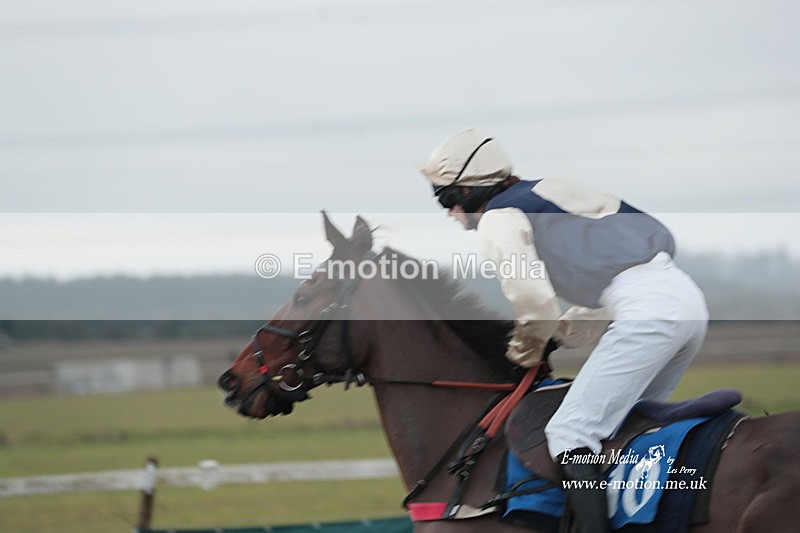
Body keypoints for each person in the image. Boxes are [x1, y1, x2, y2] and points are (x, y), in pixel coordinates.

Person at [419, 128, 708, 533]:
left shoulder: (498, 220)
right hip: (682, 299)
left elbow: (534, 301)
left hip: (645, 310)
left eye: (446, 198)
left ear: (468, 190)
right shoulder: (555, 187)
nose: (448, 212)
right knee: (625, 430)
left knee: (570, 433)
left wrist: (526, 349)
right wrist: (564, 331)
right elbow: (618, 272)